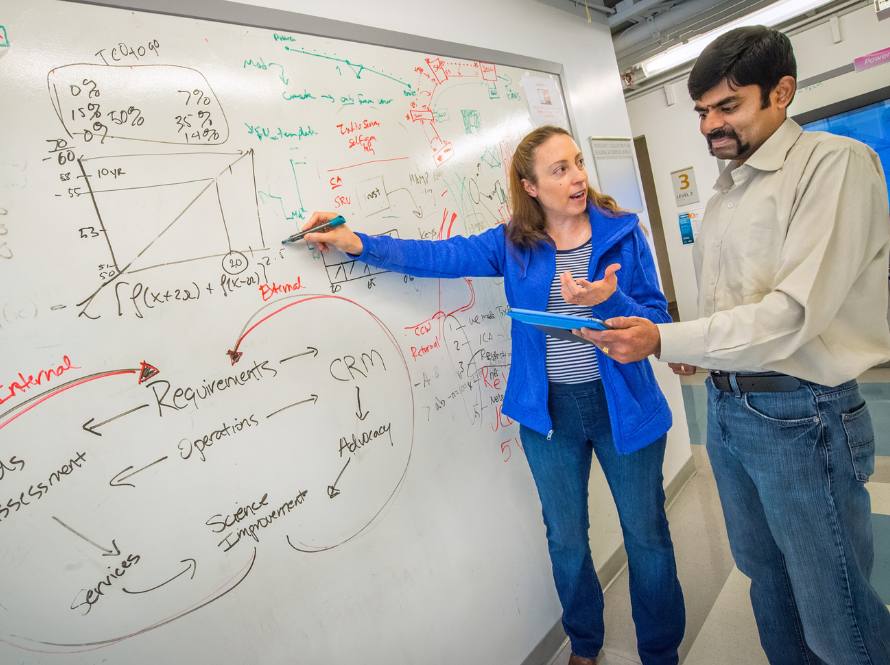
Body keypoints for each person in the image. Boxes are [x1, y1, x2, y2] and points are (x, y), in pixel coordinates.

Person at [302, 125, 685, 665]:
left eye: (577, 163)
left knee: (646, 537)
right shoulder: (513, 244)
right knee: (567, 541)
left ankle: (661, 653)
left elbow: (657, 322)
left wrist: (609, 297)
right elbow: (439, 257)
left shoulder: (622, 232)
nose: (577, 176)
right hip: (547, 413)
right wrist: (354, 242)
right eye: (560, 169)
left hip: (624, 406)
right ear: (530, 186)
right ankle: (585, 644)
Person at [580, 26, 890, 664]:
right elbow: (736, 307)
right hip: (728, 411)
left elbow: (791, 314)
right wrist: (701, 347)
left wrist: (668, 337)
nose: (710, 125)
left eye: (728, 107)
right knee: (764, 578)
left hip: (803, 414)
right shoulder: (723, 193)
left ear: (782, 93)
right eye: (701, 111)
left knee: (835, 610)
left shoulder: (834, 166)